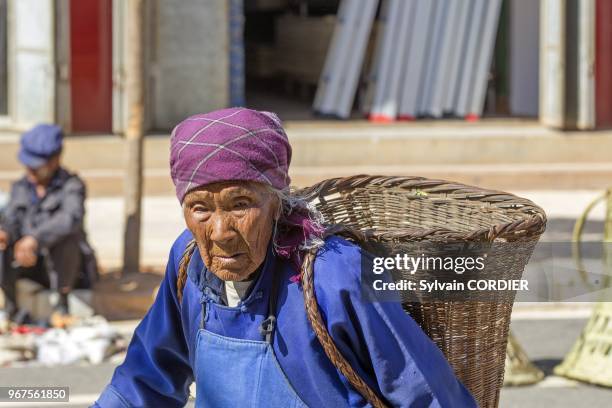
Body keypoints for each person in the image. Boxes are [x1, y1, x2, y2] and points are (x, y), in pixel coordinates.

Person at [94, 108, 476, 407]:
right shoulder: (188, 261)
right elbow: (146, 378)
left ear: (277, 202)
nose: (221, 231)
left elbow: (423, 391)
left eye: (240, 204)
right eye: (200, 209)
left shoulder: (335, 272)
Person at [0, 124, 97, 322]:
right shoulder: (22, 187)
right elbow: (12, 218)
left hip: (67, 271)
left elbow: (70, 219)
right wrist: (6, 233)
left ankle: (61, 305)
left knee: (67, 238)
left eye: (36, 167)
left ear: (54, 161)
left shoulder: (72, 186)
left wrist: (35, 239)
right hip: (29, 264)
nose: (30, 171)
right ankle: (11, 307)